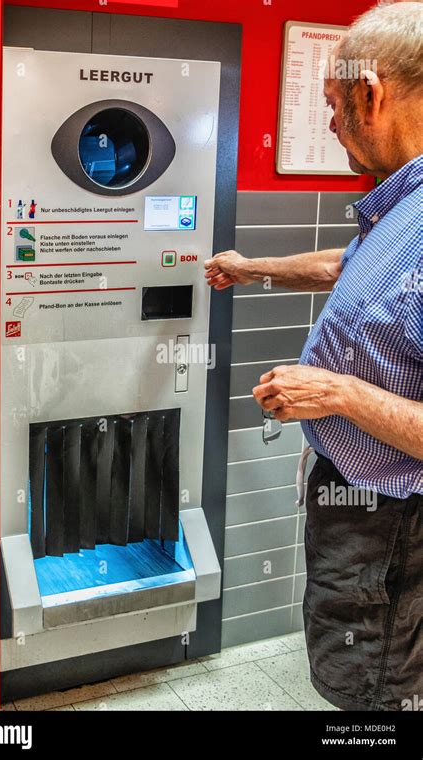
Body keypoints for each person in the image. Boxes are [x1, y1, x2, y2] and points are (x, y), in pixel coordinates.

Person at [205, 2, 422, 711]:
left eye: (334, 106)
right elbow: (346, 267)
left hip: (392, 531)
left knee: (373, 694)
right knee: (349, 677)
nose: (330, 125)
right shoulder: (402, 205)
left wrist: (335, 394)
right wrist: (250, 266)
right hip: (357, 513)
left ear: (372, 95)